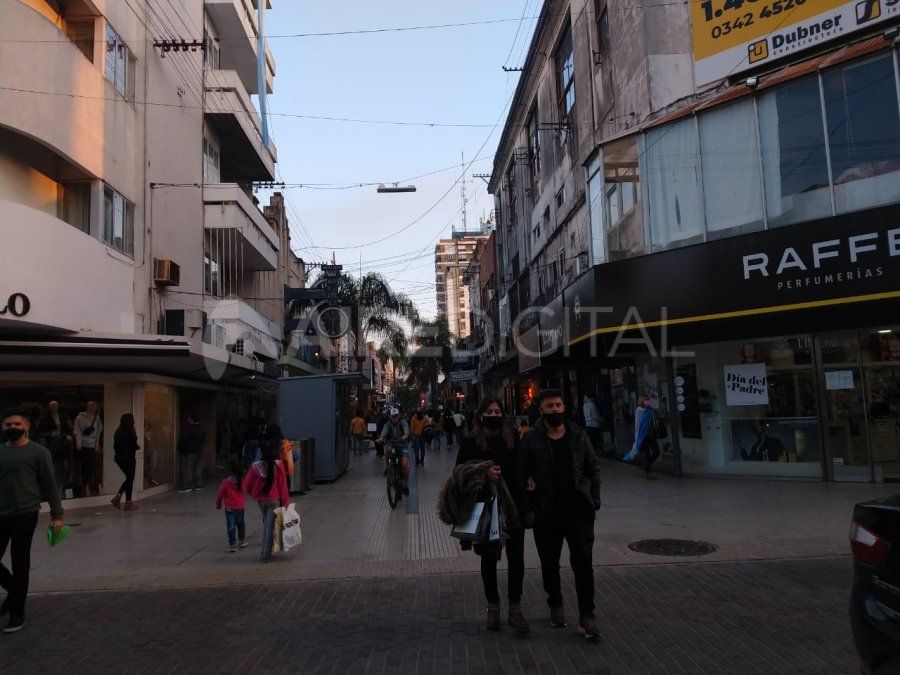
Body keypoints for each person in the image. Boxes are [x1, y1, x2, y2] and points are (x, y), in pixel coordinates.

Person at [518, 389, 602, 641]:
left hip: (578, 511)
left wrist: (593, 500)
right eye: (549, 406)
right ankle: (555, 604)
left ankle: (587, 615)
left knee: (583, 563)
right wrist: (528, 509)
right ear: (540, 409)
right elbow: (522, 474)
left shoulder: (577, 434)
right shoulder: (531, 439)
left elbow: (592, 467)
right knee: (549, 564)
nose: (555, 410)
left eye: (558, 405)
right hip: (547, 513)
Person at [455, 396, 530, 634]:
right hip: (486, 508)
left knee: (516, 558)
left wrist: (528, 479)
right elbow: (458, 474)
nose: (494, 414)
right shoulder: (470, 443)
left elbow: (522, 466)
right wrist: (482, 474)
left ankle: (515, 606)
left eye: (498, 411)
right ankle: (493, 606)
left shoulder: (511, 439)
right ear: (481, 414)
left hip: (512, 507)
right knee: (488, 559)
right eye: (490, 410)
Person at [0, 407, 65, 634]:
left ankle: (17, 613)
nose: (13, 428)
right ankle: (14, 594)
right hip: (1, 514)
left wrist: (57, 516)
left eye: (17, 424)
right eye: (8, 424)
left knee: (20, 563)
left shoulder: (38, 452)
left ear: (26, 426)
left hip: (25, 514)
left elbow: (49, 484)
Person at [242, 444, 289, 562]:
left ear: (261, 453)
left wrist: (254, 493)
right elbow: (282, 486)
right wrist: (285, 503)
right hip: (274, 500)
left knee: (267, 525)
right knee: (269, 527)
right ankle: (266, 554)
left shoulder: (254, 466)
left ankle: (266, 552)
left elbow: (246, 484)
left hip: (261, 501)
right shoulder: (278, 465)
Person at [216, 462, 248, 552]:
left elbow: (220, 495)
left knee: (231, 526)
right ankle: (242, 540)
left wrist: (218, 504)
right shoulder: (243, 480)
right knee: (241, 524)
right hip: (240, 507)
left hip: (229, 508)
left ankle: (233, 544)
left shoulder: (226, 482)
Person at [627, 395, 660, 480]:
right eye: (646, 400)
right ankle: (648, 472)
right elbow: (637, 424)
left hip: (652, 435)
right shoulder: (639, 410)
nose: (647, 402)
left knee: (656, 452)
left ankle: (646, 465)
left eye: (648, 400)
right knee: (647, 453)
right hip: (643, 436)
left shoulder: (650, 410)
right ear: (642, 401)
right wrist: (637, 437)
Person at [73, 401, 103, 497]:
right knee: (85, 466)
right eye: (94, 406)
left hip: (92, 446)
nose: (96, 408)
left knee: (92, 466)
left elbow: (98, 432)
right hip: (83, 445)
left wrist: (97, 444)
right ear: (89, 407)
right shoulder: (79, 418)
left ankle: (91, 485)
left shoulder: (97, 418)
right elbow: (76, 431)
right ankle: (84, 486)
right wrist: (78, 443)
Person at [111, 414, 140, 511]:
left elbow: (115, 446)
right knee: (130, 478)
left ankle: (127, 501)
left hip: (119, 458)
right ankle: (121, 498)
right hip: (129, 458)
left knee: (129, 478)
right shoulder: (130, 431)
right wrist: (137, 447)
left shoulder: (118, 431)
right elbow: (134, 444)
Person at [380, 408, 411, 495]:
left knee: (404, 465)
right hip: (393, 445)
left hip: (402, 446)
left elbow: (406, 430)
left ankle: (405, 485)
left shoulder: (403, 422)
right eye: (393, 416)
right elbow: (384, 431)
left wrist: (405, 436)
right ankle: (389, 467)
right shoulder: (388, 424)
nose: (394, 418)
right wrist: (381, 438)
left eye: (396, 416)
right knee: (388, 449)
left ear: (399, 415)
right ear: (390, 416)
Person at [178, 413, 205, 492]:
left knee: (188, 468)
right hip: (199, 450)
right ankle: (198, 484)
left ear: (192, 420)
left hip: (190, 451)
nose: (187, 420)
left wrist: (181, 449)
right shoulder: (202, 429)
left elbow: (184, 440)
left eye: (189, 419)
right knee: (198, 467)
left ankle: (187, 485)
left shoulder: (189, 430)